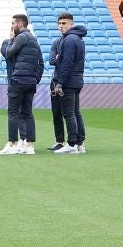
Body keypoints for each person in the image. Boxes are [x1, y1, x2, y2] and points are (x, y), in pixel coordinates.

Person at [0, 14, 43, 155]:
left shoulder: (21, 37)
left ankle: (12, 144)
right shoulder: (34, 40)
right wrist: (35, 79)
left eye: (13, 23)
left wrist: (11, 40)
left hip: (18, 80)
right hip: (30, 82)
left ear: (20, 24)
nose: (12, 26)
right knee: (27, 113)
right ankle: (29, 146)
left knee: (13, 113)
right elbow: (41, 64)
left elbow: (9, 53)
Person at [49, 13, 86, 154]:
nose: (61, 26)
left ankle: (71, 144)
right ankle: (80, 143)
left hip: (69, 81)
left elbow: (66, 63)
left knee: (69, 113)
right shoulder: (78, 39)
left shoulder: (69, 40)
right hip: (76, 80)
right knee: (75, 112)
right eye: (59, 23)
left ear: (71, 24)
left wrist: (60, 84)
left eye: (64, 23)